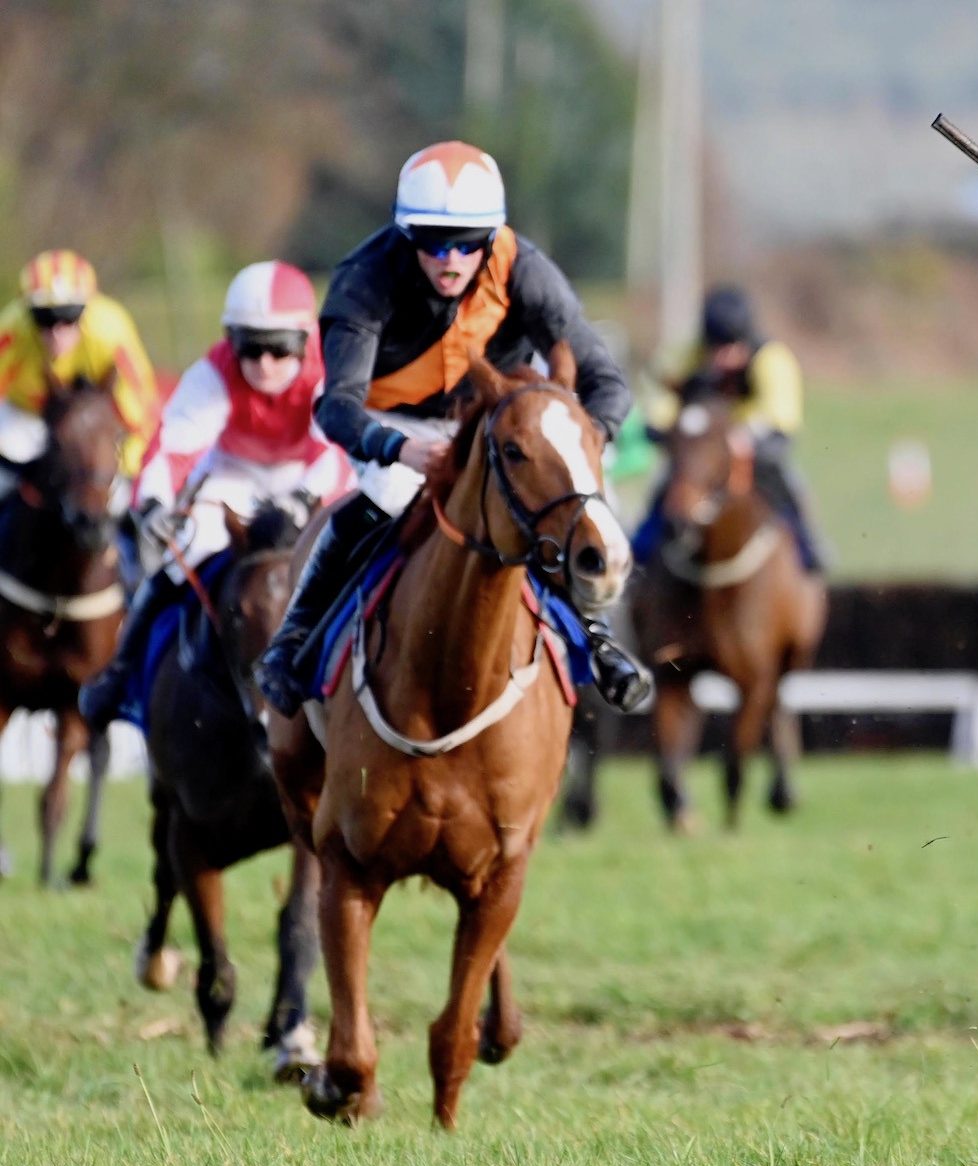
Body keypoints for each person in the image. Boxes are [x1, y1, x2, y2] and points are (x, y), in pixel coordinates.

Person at [251, 141, 648, 717]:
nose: (451, 259)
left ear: (492, 236)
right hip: (388, 423)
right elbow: (336, 407)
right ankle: (295, 639)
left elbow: (607, 385)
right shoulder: (366, 279)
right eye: (434, 242)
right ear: (407, 235)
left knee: (542, 499)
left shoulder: (526, 271)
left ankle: (597, 636)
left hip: (489, 422)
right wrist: (398, 447)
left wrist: (586, 442)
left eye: (469, 243)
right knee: (387, 495)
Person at [78, 262, 354, 728]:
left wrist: (303, 499)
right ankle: (122, 673)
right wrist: (154, 504)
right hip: (234, 474)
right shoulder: (214, 370)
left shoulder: (329, 368)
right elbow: (172, 447)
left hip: (312, 475)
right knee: (180, 549)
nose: (264, 363)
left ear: (305, 340)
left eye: (279, 348)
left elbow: (339, 451)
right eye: (250, 346)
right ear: (231, 341)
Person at [639, 286, 824, 571]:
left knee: (789, 487)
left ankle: (809, 551)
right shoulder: (693, 356)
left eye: (731, 348)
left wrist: (743, 434)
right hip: (702, 450)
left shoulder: (772, 359)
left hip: (756, 451)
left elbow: (780, 416)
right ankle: (640, 548)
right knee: (669, 487)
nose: (723, 357)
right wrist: (661, 425)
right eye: (717, 348)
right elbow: (665, 394)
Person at [0, 249, 160, 512]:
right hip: (25, 420)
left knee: (121, 500)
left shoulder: (110, 332)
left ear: (87, 309)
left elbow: (142, 413)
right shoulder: (12, 330)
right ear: (26, 312)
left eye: (69, 315)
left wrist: (126, 466)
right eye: (43, 318)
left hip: (92, 431)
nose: (56, 331)